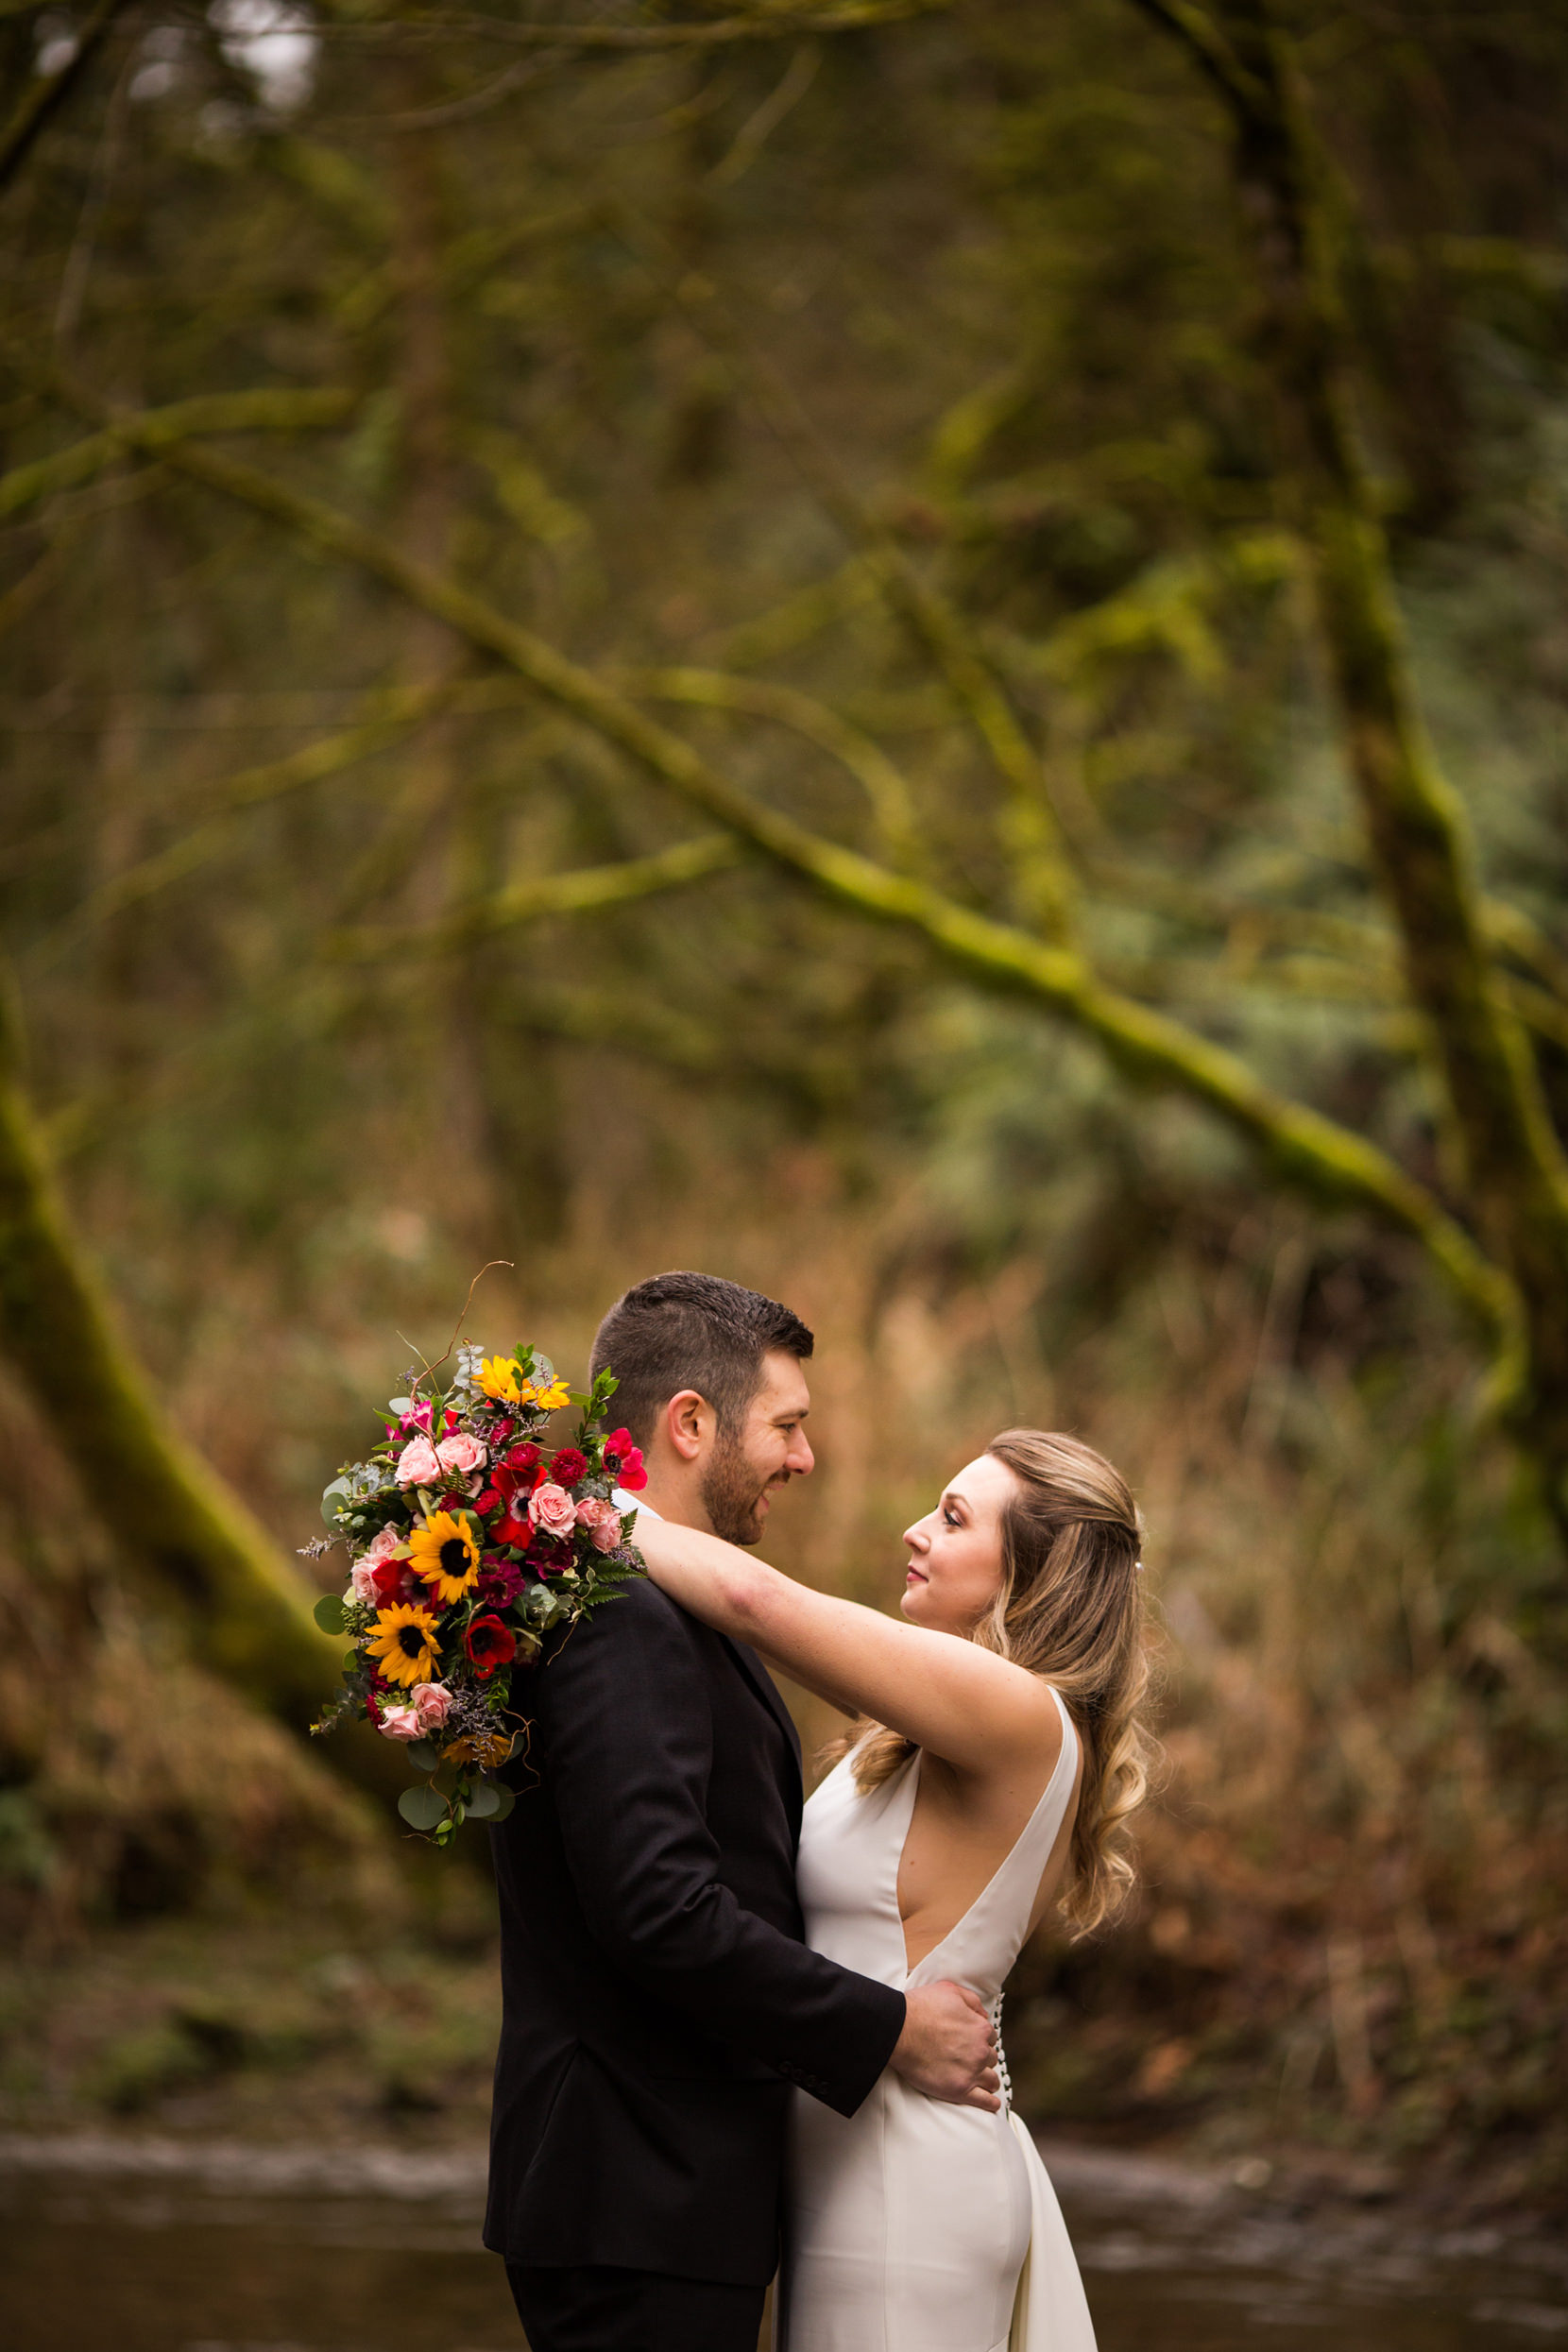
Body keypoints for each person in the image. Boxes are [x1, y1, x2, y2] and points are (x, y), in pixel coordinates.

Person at [484, 1271, 1000, 2352]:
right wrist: (887, 2030)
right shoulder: (622, 1613)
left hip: (661, 2189)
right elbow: (658, 1906)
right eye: (787, 1426)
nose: (804, 1459)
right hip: (634, 2187)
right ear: (688, 1424)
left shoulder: (657, 1603)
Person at [633, 1425, 1152, 2352]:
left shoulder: (1012, 1710)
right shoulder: (919, 1725)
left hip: (902, 2178)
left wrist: (568, 1513)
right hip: (858, 2160)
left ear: (1029, 1574)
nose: (914, 1531)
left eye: (953, 1520)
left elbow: (752, 1599)